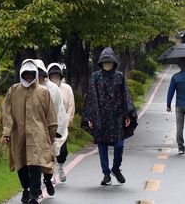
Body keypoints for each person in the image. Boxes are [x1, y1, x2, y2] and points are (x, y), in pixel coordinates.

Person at [2, 59, 58, 204]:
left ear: (35, 74)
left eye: (30, 74)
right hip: (18, 134)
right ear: (21, 73)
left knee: (35, 164)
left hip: (38, 135)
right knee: (21, 165)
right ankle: (26, 189)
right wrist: (7, 132)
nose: (28, 77)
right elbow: (6, 112)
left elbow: (51, 116)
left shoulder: (43, 92)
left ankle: (34, 194)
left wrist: (51, 135)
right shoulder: (13, 90)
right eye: (25, 74)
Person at [81, 47, 138, 185]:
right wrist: (90, 118)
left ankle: (116, 168)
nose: (107, 65)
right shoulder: (95, 76)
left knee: (119, 145)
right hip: (100, 117)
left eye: (109, 62)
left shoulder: (119, 76)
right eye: (105, 62)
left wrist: (127, 115)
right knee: (102, 147)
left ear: (113, 63)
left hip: (117, 117)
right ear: (101, 63)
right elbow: (91, 98)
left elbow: (125, 96)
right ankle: (106, 174)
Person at [34, 59, 67, 195]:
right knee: (33, 161)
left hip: (49, 131)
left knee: (47, 159)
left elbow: (60, 110)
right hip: (32, 131)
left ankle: (47, 179)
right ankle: (35, 189)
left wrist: (58, 132)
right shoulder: (25, 89)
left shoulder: (53, 89)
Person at [47, 62, 75, 183]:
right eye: (52, 76)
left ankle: (60, 167)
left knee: (62, 151)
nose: (55, 78)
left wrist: (67, 122)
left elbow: (71, 106)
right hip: (48, 125)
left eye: (57, 76)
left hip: (62, 125)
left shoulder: (67, 88)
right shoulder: (44, 88)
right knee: (50, 151)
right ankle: (51, 173)